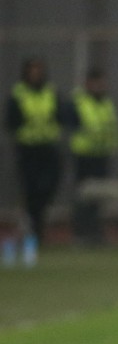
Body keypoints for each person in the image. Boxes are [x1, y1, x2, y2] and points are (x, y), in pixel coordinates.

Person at [5, 57, 64, 251]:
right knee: (31, 192)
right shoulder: (19, 93)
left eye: (39, 70)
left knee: (47, 188)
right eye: (32, 70)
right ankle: (33, 230)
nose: (36, 74)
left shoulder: (51, 92)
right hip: (28, 149)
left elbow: (61, 114)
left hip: (48, 148)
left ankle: (36, 224)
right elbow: (11, 121)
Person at [65, 67, 118, 247]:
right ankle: (81, 233)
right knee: (83, 196)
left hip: (101, 155)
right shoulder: (79, 102)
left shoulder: (106, 102)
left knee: (98, 197)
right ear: (88, 83)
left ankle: (96, 233)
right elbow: (73, 126)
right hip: (84, 155)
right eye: (97, 82)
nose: (100, 86)